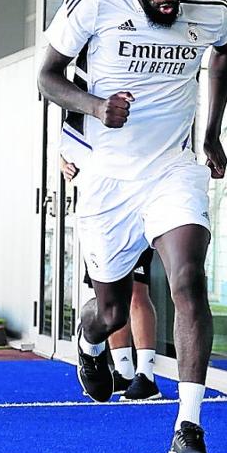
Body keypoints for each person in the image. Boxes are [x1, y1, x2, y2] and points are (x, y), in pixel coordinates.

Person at [37, 0, 227, 453]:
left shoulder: (212, 10)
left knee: (187, 279)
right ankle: (90, 341)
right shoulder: (94, 2)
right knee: (111, 309)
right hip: (107, 179)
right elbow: (48, 77)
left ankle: (188, 428)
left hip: (172, 168)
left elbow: (224, 54)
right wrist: (97, 106)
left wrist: (210, 132)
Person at [61, 155, 161, 401]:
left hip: (134, 209)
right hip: (99, 216)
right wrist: (64, 163)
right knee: (111, 296)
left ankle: (146, 375)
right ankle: (124, 370)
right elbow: (66, 145)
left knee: (137, 291)